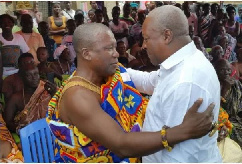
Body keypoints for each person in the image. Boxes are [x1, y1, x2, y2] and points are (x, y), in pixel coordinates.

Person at [46, 23, 216, 163]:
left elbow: (150, 80)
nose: (117, 53)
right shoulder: (78, 96)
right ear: (86, 54)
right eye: (109, 49)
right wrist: (184, 131)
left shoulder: (111, 73)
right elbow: (121, 145)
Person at [127, 5, 221, 162]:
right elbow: (149, 81)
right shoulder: (183, 63)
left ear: (166, 36)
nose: (143, 45)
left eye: (146, 38)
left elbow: (180, 157)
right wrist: (117, 70)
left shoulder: (185, 81)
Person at [4, 65, 56, 133]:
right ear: (22, 78)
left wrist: (54, 95)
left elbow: (61, 113)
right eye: (29, 75)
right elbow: (7, 122)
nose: (34, 78)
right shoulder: (15, 98)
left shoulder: (48, 91)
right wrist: (21, 130)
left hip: (49, 132)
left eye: (36, 74)